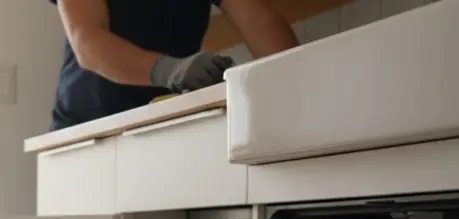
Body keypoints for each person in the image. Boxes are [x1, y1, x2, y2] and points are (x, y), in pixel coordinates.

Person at [48, 0, 299, 130]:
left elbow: (260, 22)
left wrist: (300, 80)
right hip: (86, 131)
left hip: (164, 125)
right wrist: (168, 70)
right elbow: (88, 41)